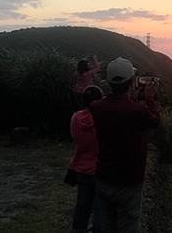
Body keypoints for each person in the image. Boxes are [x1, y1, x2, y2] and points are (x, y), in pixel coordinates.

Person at [90, 57, 160, 232]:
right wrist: (150, 99)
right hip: (130, 180)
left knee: (107, 226)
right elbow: (155, 122)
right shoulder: (138, 110)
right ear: (131, 82)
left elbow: (116, 108)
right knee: (129, 226)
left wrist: (131, 98)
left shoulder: (96, 107)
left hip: (104, 177)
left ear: (109, 82)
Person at [69, 85, 104, 233]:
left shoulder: (75, 117)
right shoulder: (102, 120)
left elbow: (74, 139)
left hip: (81, 169)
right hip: (99, 169)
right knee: (99, 209)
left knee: (82, 205)